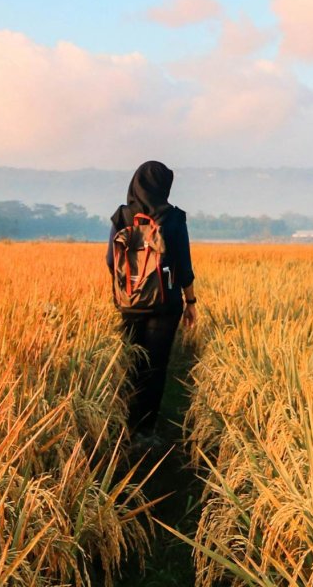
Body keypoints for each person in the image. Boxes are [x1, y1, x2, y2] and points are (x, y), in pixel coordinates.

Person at [106, 161, 197, 439]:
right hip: (164, 304)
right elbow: (183, 264)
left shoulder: (122, 216)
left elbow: (111, 260)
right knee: (155, 366)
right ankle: (145, 430)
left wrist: (128, 285)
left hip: (129, 302)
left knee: (131, 362)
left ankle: (124, 424)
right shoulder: (173, 218)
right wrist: (190, 302)